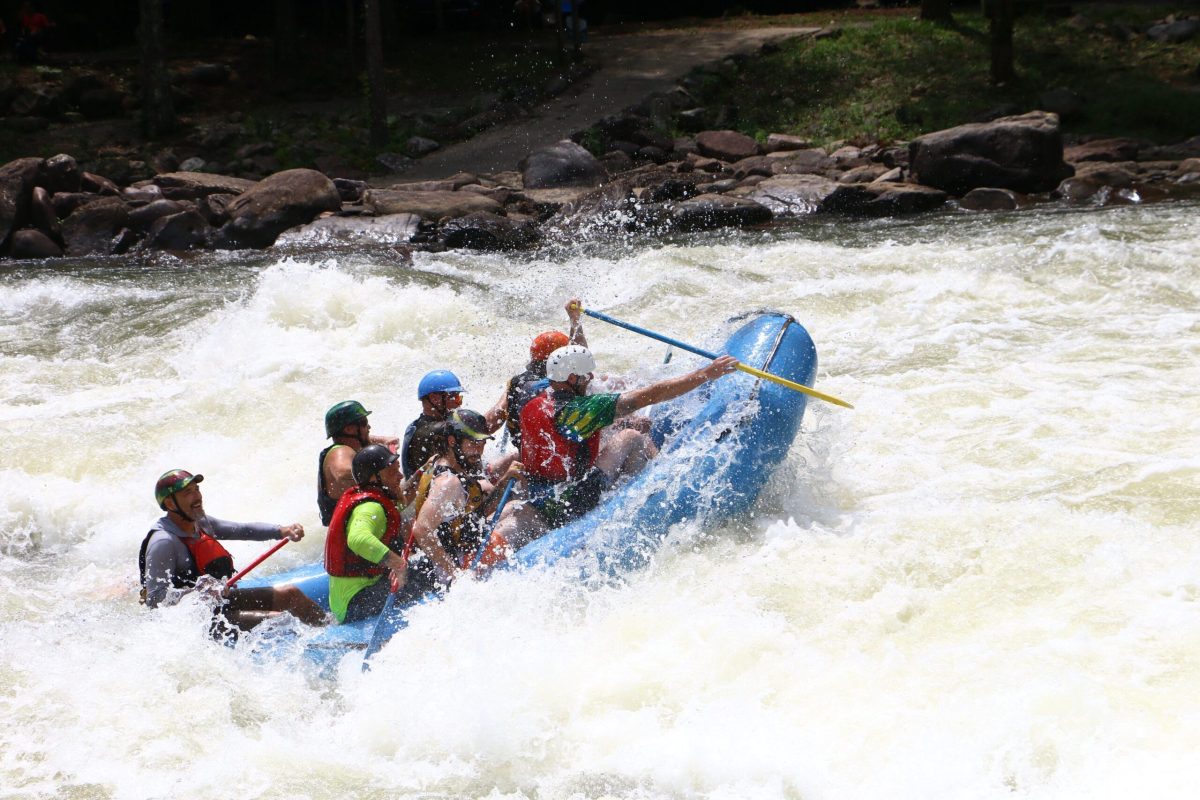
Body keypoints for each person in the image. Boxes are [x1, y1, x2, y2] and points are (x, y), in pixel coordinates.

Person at [487, 346, 739, 554]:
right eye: (586, 376)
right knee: (631, 438)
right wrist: (706, 373)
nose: (590, 380)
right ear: (572, 378)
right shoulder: (578, 410)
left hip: (537, 495)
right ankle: (655, 483)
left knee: (511, 514)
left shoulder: (532, 395)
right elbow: (646, 397)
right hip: (574, 501)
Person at [139, 469, 329, 634]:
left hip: (219, 601)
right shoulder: (163, 542)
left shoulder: (199, 523)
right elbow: (155, 601)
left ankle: (332, 631)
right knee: (279, 620)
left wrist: (281, 531)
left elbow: (243, 529)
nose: (197, 497)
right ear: (171, 504)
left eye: (197, 490)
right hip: (196, 622)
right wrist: (196, 592)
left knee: (291, 594)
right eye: (188, 493)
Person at [406, 409, 524, 586]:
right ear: (453, 441)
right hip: (456, 563)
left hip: (461, 546)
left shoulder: (435, 460)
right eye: (473, 443)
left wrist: (504, 481)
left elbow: (477, 513)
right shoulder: (448, 483)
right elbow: (421, 529)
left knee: (515, 506)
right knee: (525, 518)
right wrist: (457, 575)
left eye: (482, 443)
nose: (479, 450)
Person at [324, 444, 415, 623]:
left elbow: (400, 503)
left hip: (350, 599)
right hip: (356, 604)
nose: (400, 475)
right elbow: (358, 539)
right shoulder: (371, 507)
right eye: (392, 471)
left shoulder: (372, 496)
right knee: (428, 571)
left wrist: (422, 475)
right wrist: (398, 565)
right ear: (374, 477)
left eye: (398, 469)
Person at [498, 297, 588, 451]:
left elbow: (497, 414)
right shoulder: (559, 385)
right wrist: (575, 321)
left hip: (528, 452)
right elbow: (582, 362)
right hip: (559, 452)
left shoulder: (517, 383)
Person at [318, 400, 399, 526]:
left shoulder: (350, 444)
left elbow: (367, 439)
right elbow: (342, 473)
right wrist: (380, 471)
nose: (369, 427)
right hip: (352, 532)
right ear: (349, 429)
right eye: (364, 423)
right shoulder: (340, 451)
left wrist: (383, 440)